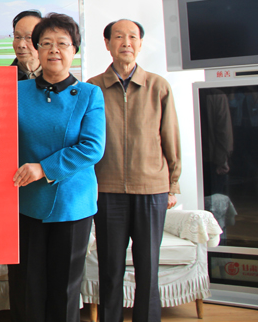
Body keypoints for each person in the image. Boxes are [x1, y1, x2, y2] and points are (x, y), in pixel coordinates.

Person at [9, 12, 105, 322]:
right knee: (26, 287)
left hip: (72, 204)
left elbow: (92, 148)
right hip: (25, 202)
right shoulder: (16, 91)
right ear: (36, 49)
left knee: (64, 290)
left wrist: (43, 168)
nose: (54, 50)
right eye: (46, 43)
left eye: (62, 43)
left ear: (74, 49)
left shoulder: (90, 94)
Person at [87, 19, 181, 322]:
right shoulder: (92, 88)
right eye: (118, 36)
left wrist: (173, 184)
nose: (126, 42)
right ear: (107, 44)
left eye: (132, 37)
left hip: (152, 190)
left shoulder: (158, 86)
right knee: (110, 270)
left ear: (140, 43)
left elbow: (170, 137)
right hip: (107, 190)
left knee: (148, 268)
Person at [11, 10, 42, 81]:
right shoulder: (3, 78)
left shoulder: (56, 77)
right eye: (17, 37)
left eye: (29, 37)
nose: (21, 45)